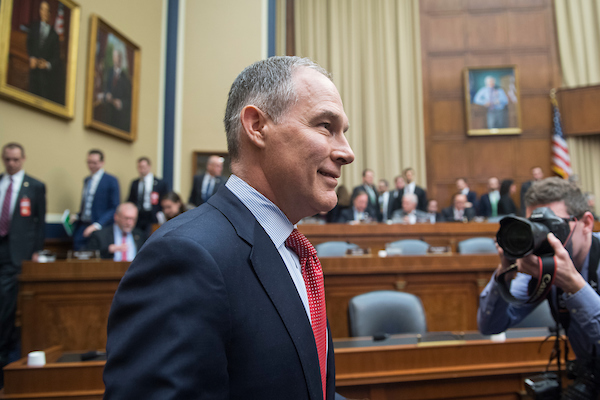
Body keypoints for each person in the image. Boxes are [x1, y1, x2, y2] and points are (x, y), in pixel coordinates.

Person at [104, 56, 354, 399]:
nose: (347, 151)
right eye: (326, 126)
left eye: (344, 132)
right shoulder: (184, 255)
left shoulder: (294, 251)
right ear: (257, 126)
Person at [478, 177, 599, 364]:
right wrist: (505, 274)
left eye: (554, 225)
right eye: (537, 227)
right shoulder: (545, 265)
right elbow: (491, 325)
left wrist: (574, 286)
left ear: (587, 223)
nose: (545, 236)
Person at [0, 143, 46, 386]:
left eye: (15, 159)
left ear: (23, 159)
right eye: (7, 159)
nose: (11, 163)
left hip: (18, 254)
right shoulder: (0, 182)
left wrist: (37, 251)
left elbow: (39, 223)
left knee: (7, 306)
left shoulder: (35, 186)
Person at [73, 150, 120, 250]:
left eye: (94, 162)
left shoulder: (111, 180)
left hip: (100, 226)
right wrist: (77, 215)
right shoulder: (87, 180)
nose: (91, 165)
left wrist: (97, 225)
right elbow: (86, 204)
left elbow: (114, 207)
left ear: (102, 162)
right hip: (83, 224)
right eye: (89, 162)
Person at [27, 1, 61, 103]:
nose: (45, 12)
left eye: (47, 10)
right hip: (33, 73)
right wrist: (31, 57)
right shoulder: (33, 28)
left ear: (50, 14)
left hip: (46, 79)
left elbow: (57, 57)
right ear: (40, 11)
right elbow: (29, 44)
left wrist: (47, 65)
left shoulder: (55, 35)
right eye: (43, 9)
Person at [126, 157, 168, 237]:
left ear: (149, 167)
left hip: (152, 215)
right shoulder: (135, 183)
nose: (142, 170)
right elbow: (131, 200)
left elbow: (164, 199)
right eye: (140, 167)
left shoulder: (160, 183)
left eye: (144, 167)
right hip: (139, 215)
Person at [96, 48, 132, 132]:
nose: (118, 59)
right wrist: (106, 95)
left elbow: (129, 100)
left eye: (120, 57)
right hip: (107, 115)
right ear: (113, 58)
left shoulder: (126, 78)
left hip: (119, 120)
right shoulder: (109, 73)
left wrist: (121, 103)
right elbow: (104, 89)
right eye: (116, 57)